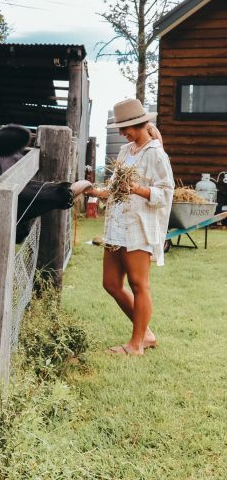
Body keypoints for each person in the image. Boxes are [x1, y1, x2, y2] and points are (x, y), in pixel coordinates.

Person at [86, 99, 174, 356]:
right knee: (111, 283)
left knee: (138, 284)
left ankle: (137, 344)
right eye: (120, 127)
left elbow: (166, 193)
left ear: (140, 123)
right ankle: (146, 333)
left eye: (126, 127)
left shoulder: (156, 154)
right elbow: (114, 187)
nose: (121, 132)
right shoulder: (126, 151)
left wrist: (137, 189)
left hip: (139, 227)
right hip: (116, 225)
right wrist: (93, 191)